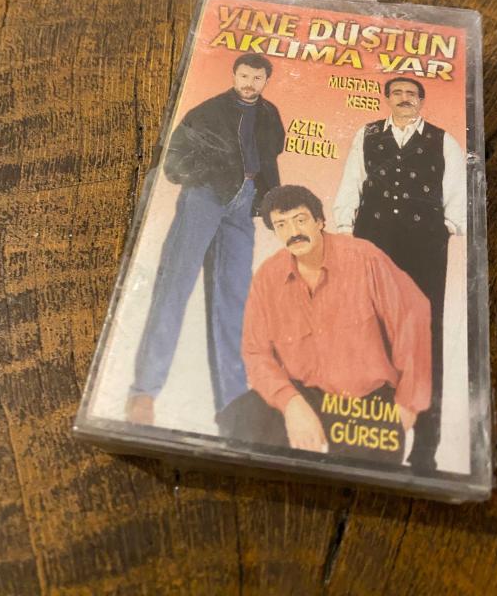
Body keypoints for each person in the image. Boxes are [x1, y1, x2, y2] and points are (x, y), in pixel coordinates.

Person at [218, 185, 431, 465]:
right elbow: (255, 352)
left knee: (363, 474)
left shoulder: (364, 258)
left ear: (319, 221)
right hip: (306, 395)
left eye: (300, 219)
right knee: (239, 419)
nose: (293, 231)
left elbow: (411, 316)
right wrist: (292, 404)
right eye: (282, 224)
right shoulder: (268, 277)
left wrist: (408, 403)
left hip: (366, 402)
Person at [126, 53, 285, 425]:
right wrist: (207, 177)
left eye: (257, 78)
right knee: (174, 286)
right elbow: (173, 161)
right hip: (205, 197)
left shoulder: (269, 114)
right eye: (244, 75)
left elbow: (270, 158)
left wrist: (269, 200)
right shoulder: (208, 111)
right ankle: (144, 392)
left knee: (234, 297)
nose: (249, 83)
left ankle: (233, 403)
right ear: (234, 75)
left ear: (265, 80)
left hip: (244, 202)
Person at [333, 76, 466, 472]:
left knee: (424, 339)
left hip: (424, 249)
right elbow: (352, 183)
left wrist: (444, 229)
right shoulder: (367, 135)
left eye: (411, 94)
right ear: (387, 98)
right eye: (398, 93)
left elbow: (457, 194)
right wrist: (345, 229)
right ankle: (371, 440)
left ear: (421, 100)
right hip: (373, 243)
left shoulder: (443, 141)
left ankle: (424, 449)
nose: (404, 99)